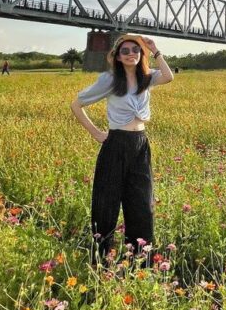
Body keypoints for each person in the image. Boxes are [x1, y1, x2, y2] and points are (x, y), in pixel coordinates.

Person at [70, 34, 174, 264]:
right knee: (106, 203)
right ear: (117, 56)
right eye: (125, 51)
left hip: (140, 144)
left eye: (135, 50)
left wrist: (155, 50)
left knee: (142, 203)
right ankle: (101, 258)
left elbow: (168, 76)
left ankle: (140, 259)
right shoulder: (109, 79)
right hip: (115, 144)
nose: (131, 54)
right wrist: (96, 133)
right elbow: (76, 105)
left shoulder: (145, 78)